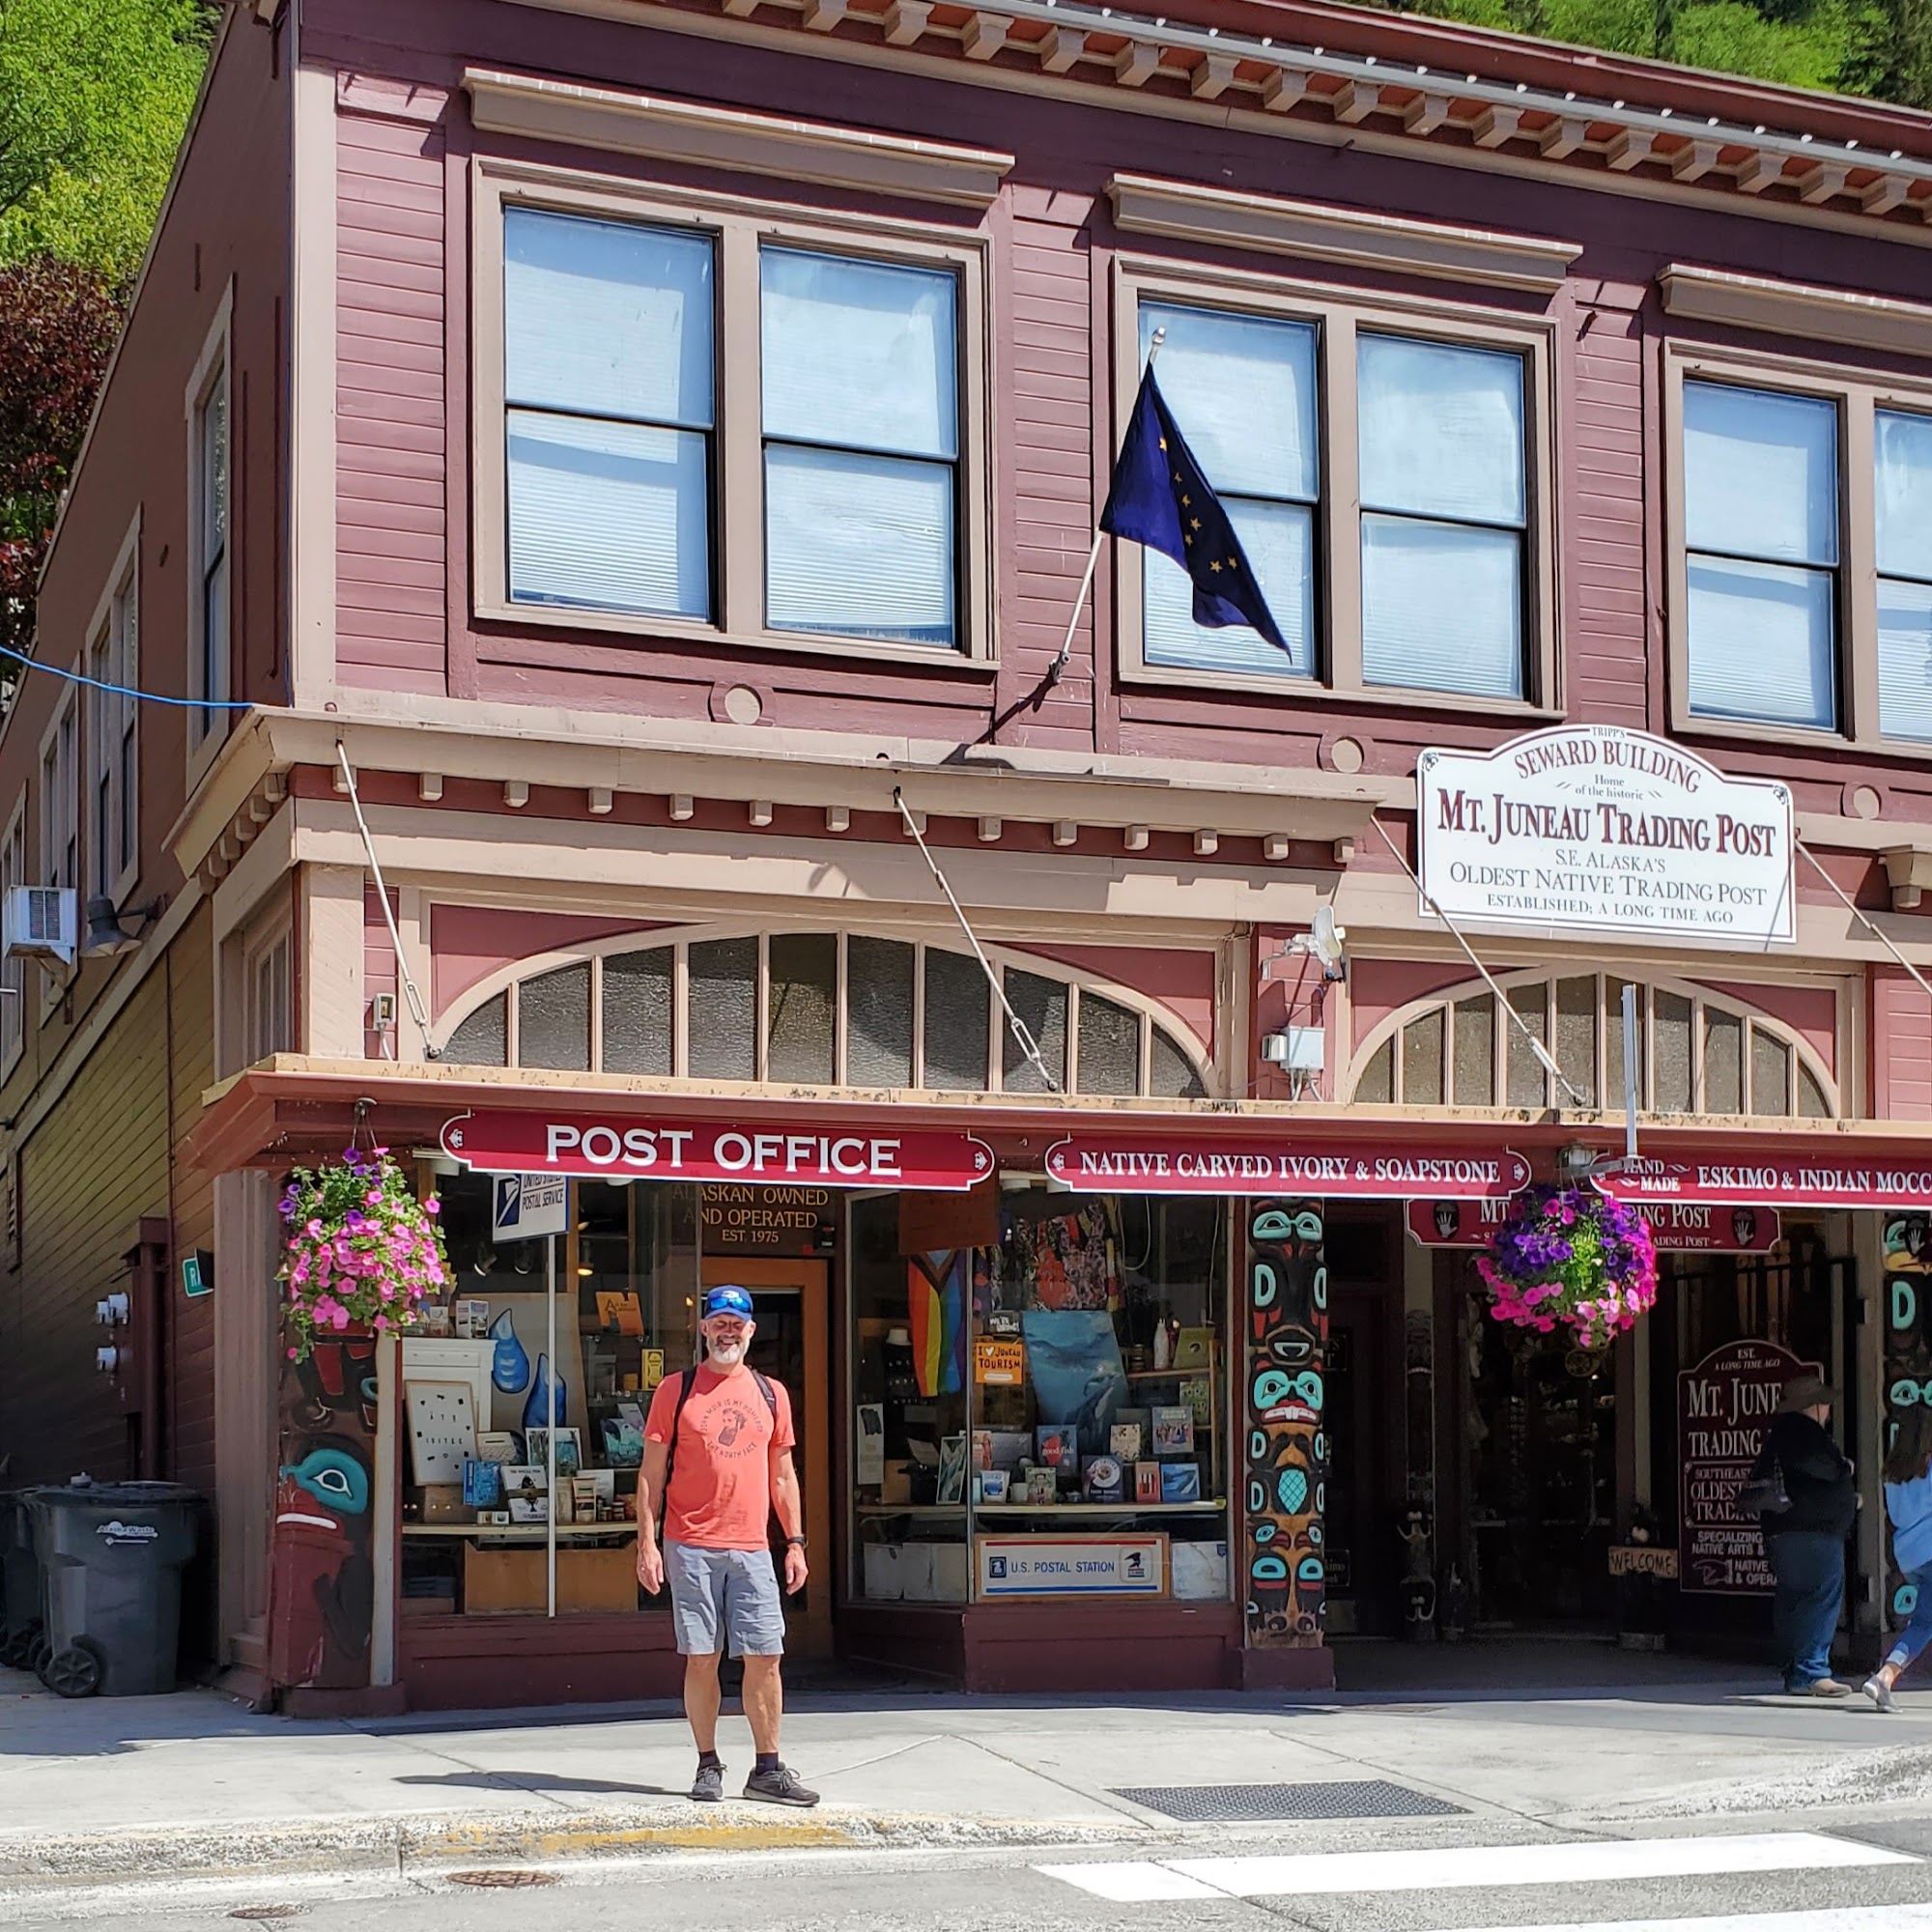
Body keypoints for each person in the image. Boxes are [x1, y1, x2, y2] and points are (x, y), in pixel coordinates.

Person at [636, 1284, 817, 1806]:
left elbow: (783, 1477)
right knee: (702, 1656)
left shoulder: (770, 1393)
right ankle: (707, 1763)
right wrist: (646, 1543)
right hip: (689, 1543)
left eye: (737, 1324)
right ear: (704, 1329)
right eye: (719, 1322)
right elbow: (650, 1474)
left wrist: (796, 1542)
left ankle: (767, 1768)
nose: (728, 1331)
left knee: (766, 1655)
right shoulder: (677, 1389)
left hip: (753, 1546)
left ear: (751, 1331)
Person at [1760, 1374, 1858, 1698]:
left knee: (1793, 1600)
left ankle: (1796, 1671)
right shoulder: (1805, 1433)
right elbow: (1825, 1469)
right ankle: (1813, 1672)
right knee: (1820, 1598)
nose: (1828, 1408)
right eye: (1825, 1402)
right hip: (1813, 1534)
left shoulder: (1779, 1434)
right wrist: (1844, 1468)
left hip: (1784, 1533)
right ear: (1815, 1406)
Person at [1863, 1409, 1932, 1712]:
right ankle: (1885, 1676)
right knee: (1924, 1623)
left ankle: (1885, 1677)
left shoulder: (1893, 1471)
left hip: (1909, 1557)